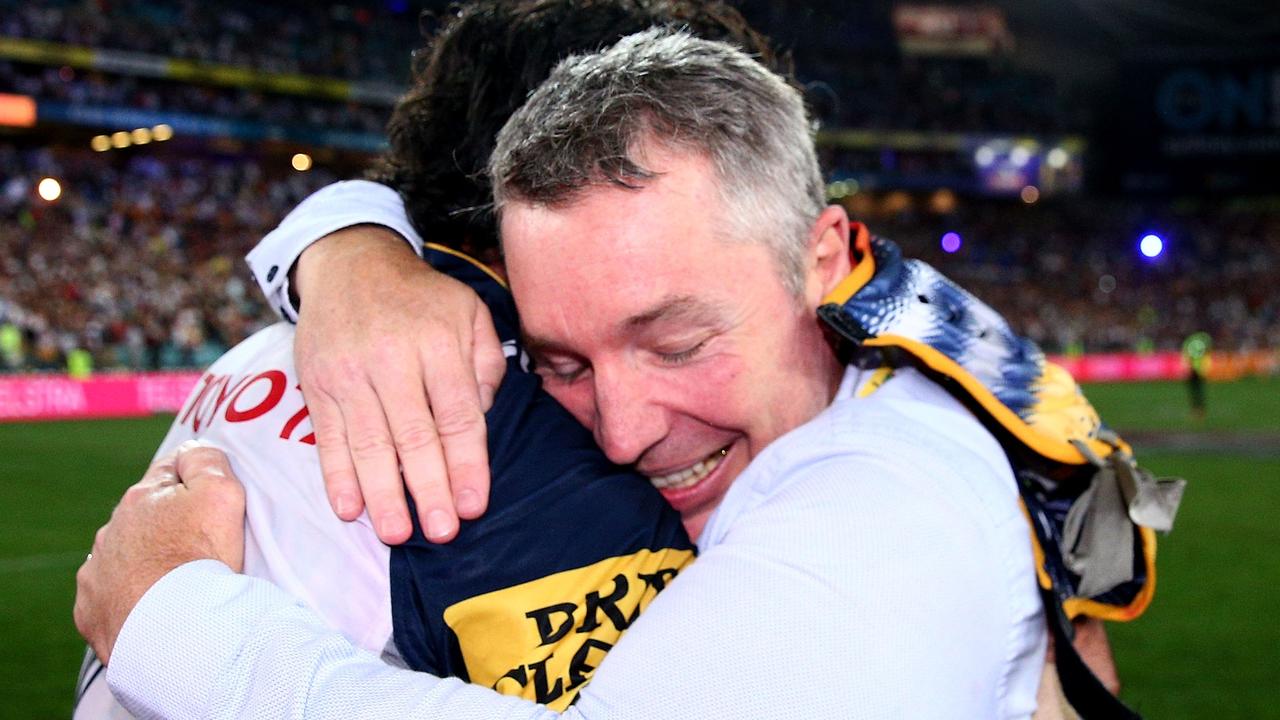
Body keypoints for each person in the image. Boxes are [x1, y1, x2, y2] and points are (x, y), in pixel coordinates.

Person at [77, 30, 1048, 718]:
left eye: (675, 340)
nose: (619, 431)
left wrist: (177, 620)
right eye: (559, 361)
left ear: (823, 259)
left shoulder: (881, 495)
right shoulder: (909, 348)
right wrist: (347, 236)